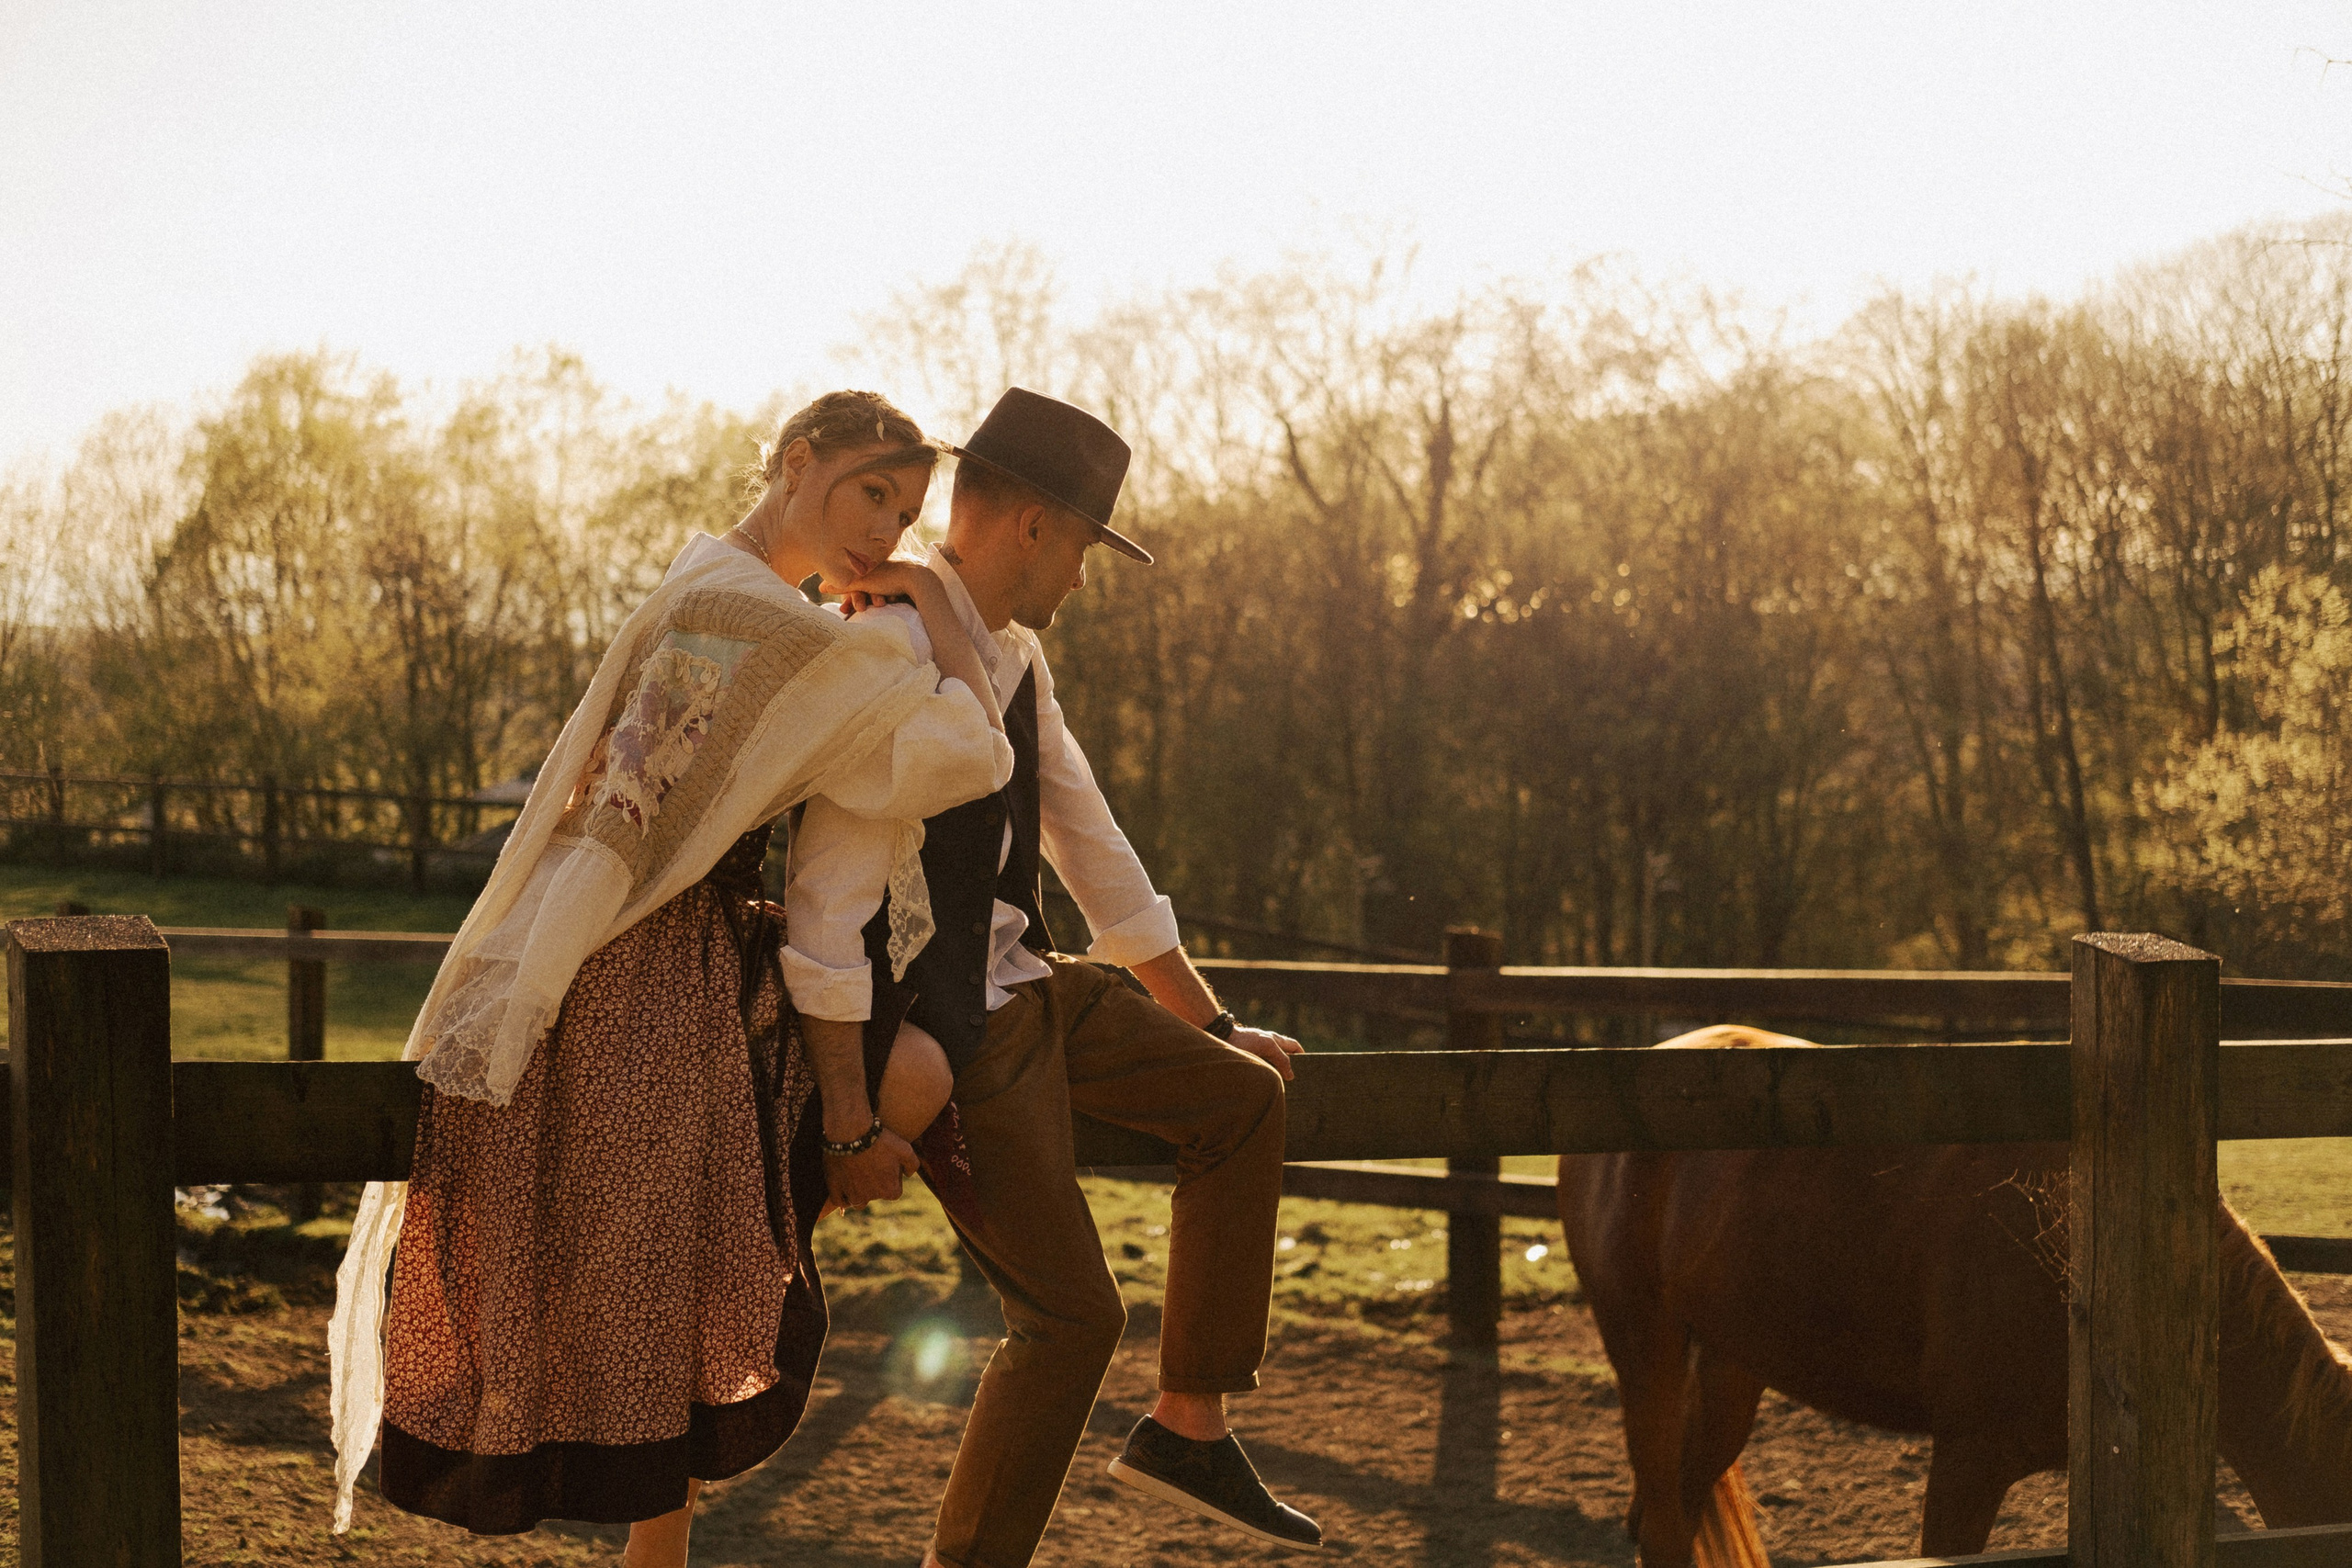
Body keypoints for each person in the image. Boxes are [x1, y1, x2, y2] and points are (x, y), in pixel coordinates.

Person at [325, 389, 1015, 1568]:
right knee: (688, 1260)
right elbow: (971, 750)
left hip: (635, 947)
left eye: (906, 516)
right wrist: (940, 602)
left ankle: (658, 1548)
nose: (884, 533)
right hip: (648, 967)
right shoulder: (764, 624)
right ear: (796, 463)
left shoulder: (715, 588)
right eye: (870, 494)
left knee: (701, 1246)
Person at [785, 387, 1325, 1564]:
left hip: (1036, 980)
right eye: (1082, 546)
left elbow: (1092, 847)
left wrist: (1212, 1023)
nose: (1081, 577)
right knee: (1073, 1317)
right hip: (956, 1023)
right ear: (1032, 526)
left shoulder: (1015, 659)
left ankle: (1190, 1423)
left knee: (1242, 1099)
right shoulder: (886, 645)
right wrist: (848, 1109)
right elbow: (825, 893)